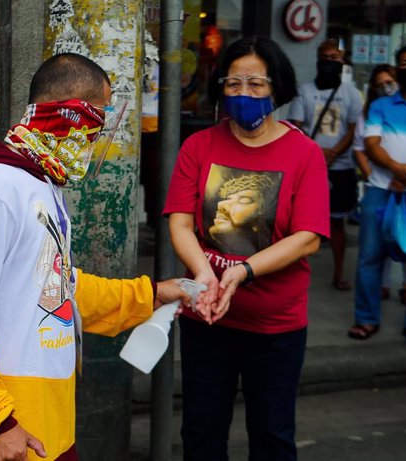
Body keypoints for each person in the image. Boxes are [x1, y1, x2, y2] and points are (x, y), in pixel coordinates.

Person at [0, 52, 194, 461]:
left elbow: (56, 287)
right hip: (6, 429)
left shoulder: (42, 187)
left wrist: (151, 296)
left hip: (49, 421)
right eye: (97, 124)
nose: (96, 140)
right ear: (74, 118)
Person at [164, 36, 330, 460]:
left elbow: (308, 236)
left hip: (275, 325)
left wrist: (242, 271)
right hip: (206, 315)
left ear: (278, 87)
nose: (244, 94)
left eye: (256, 84)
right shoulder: (198, 146)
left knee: (272, 435)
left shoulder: (305, 154)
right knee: (201, 432)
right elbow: (181, 222)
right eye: (233, 83)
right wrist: (204, 273)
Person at [350, 44, 406, 350]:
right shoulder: (380, 106)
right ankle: (366, 318)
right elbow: (371, 145)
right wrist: (396, 170)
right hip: (380, 189)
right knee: (369, 257)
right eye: (405, 63)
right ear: (397, 69)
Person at [288, 38, 362, 291]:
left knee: (338, 223)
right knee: (300, 224)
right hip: (309, 166)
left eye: (335, 58)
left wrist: (333, 152)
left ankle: (339, 272)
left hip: (341, 166)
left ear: (342, 62)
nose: (330, 62)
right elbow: (296, 126)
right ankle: (296, 274)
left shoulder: (351, 93)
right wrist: (318, 153)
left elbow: (353, 129)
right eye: (326, 57)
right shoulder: (304, 90)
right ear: (318, 60)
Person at [349, 64, 406, 307]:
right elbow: (361, 149)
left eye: (390, 81)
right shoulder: (370, 111)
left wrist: (405, 175)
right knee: (377, 242)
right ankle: (382, 285)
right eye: (381, 84)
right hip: (380, 185)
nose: (387, 87)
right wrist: (372, 175)